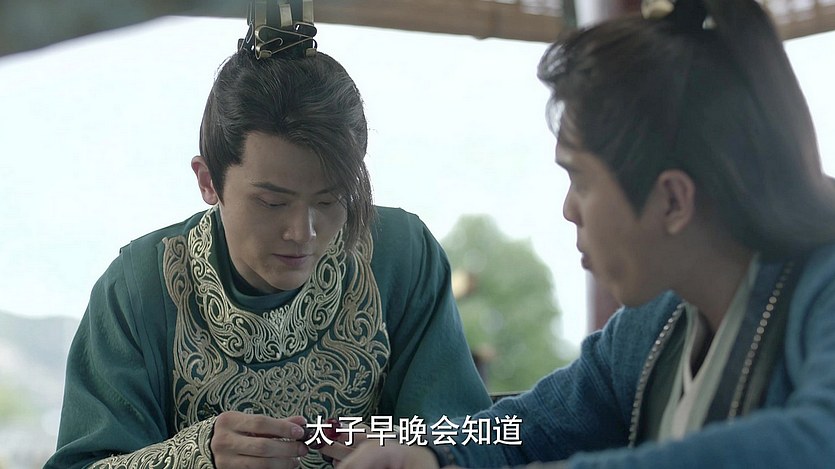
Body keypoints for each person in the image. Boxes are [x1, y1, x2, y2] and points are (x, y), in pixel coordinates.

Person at [325, 0, 835, 467]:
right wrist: (432, 454)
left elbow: (820, 439)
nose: (569, 210)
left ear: (673, 201)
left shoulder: (822, 286)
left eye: (581, 181)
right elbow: (523, 430)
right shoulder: (651, 327)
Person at [45, 2, 491, 468]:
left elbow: (479, 437)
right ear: (208, 181)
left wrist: (407, 449)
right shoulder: (138, 288)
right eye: (272, 202)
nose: (303, 232)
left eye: (330, 200)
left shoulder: (402, 254)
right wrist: (194, 457)